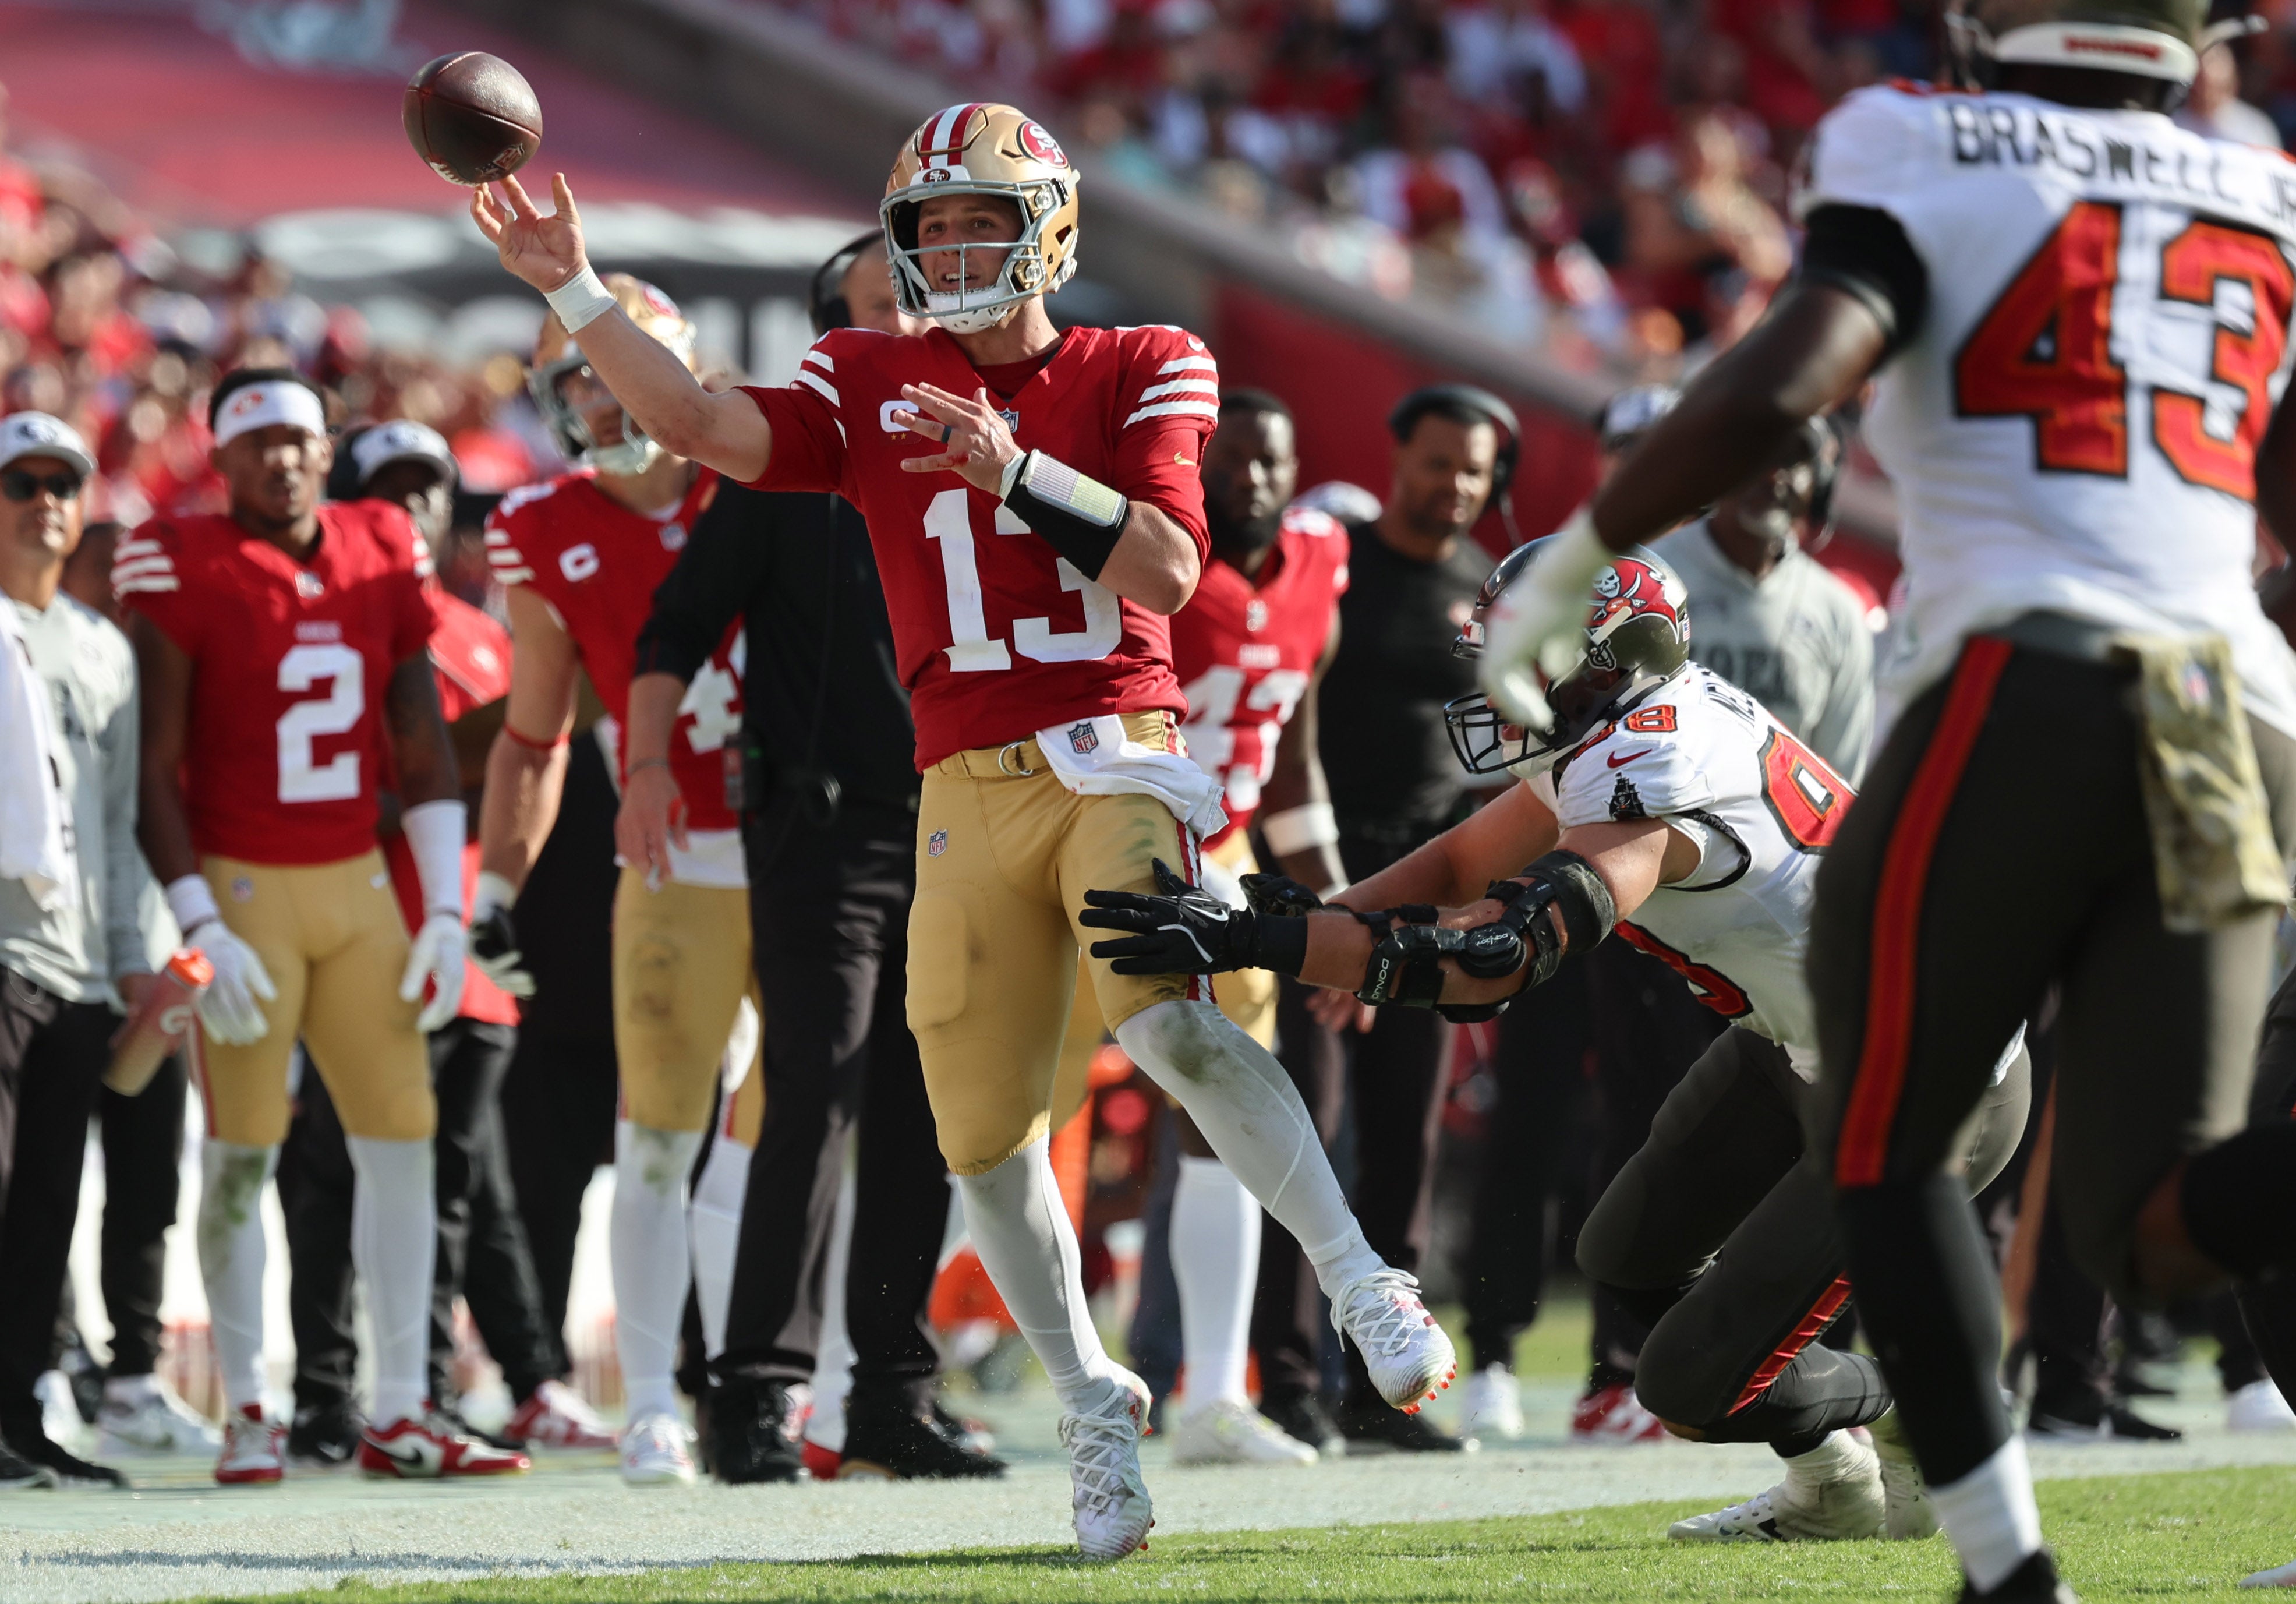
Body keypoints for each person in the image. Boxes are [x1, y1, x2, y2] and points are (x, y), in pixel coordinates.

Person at [471, 101, 1453, 1560]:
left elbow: (1171, 567)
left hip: (1114, 753)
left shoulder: (1143, 360)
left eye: (976, 220)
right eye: (928, 226)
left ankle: (1361, 1271)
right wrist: (573, 288)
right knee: (979, 1138)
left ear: (1048, 225)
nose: (948, 247)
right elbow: (694, 426)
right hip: (959, 789)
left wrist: (1009, 470)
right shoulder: (867, 370)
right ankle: (1091, 1406)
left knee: (1169, 1023)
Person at [1475, 5, 2296, 1596]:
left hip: (2017, 683)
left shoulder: (1913, 138)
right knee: (2153, 1225)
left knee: (1883, 1134)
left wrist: (1574, 558)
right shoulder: (2251, 187)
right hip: (2219, 710)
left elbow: (1785, 376)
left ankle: (2003, 1572)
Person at [1084, 539, 2028, 1544]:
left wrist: (1263, 940)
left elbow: (1500, 952)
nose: (1503, 674)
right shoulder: (1620, 723)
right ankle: (1831, 1482)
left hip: (1922, 1075)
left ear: (1611, 655)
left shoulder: (1649, 764)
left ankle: (1937, 1405)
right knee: (1626, 1254)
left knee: (1689, 1384)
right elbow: (1458, 861)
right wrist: (1318, 915)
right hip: (1805, 1038)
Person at [620, 234, 1000, 1483]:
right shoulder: (785, 473)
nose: (921, 313)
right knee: (816, 1093)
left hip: (959, 828)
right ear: (832, 335)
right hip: (825, 835)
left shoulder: (988, 452)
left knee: (926, 1114)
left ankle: (887, 1394)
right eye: (888, 302)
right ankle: (757, 1396)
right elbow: (673, 629)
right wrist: (640, 776)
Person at [116, 368, 526, 1485]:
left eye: (299, 439)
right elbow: (154, 769)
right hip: (245, 886)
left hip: (358, 886)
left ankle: (404, 1405)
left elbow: (421, 739)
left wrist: (444, 907)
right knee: (244, 1149)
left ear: (322, 446)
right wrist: (199, 915)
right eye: (257, 443)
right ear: (220, 458)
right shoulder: (182, 557)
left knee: (402, 1139)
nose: (282, 460)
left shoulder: (379, 543)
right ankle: (251, 1403)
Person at [277, 421, 607, 1465]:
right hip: (359, 933)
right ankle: (345, 1393)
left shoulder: (479, 628)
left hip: (469, 940)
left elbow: (530, 767)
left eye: (428, 490)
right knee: (339, 1170)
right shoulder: (324, 622)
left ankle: (512, 1377)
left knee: (474, 1174)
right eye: (389, 489)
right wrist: (458, 764)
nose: (413, 510)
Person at [474, 278, 752, 1488]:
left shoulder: (762, 472)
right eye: (575, 377)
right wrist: (490, 887)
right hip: (677, 853)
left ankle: (817, 1378)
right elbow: (532, 739)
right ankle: (651, 1403)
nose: (599, 395)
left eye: (619, 368)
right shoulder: (539, 525)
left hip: (815, 849)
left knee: (815, 1133)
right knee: (656, 1134)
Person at [1063, 385, 1351, 1465]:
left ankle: (1212, 1395)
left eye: (1270, 462)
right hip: (1097, 839)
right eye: (1228, 463)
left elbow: (1293, 762)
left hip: (1221, 864)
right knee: (1009, 1109)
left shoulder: (1324, 559)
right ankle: (899, 1367)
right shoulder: (1148, 556)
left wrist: (1335, 907)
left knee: (1225, 1124)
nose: (1254, 483)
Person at [1251, 384, 1507, 1458]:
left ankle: (1380, 1386)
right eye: (1435, 460)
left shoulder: (1486, 592)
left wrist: (1455, 898)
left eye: (1474, 469)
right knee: (1293, 1124)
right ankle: (1285, 1379)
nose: (1451, 484)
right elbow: (1284, 730)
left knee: (1404, 1136)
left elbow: (1488, 764)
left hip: (1429, 895)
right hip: (1311, 875)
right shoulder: (1333, 562)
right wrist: (1328, 919)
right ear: (1395, 454)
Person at [0, 413, 154, 1488]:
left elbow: (114, 817)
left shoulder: (104, 645)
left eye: (63, 481)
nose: (44, 499)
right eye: (20, 480)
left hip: (77, 963)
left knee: (48, 1200)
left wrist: (129, 957)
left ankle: (19, 1415)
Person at [54, 518, 217, 1460]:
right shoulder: (28, 659)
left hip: (154, 951)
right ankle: (52, 1356)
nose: (124, 596)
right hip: (59, 959)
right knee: (42, 1173)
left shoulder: (158, 665)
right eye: (107, 574)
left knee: (146, 1169)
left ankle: (130, 1373)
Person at [1649, 416, 1873, 778]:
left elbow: (1840, 784)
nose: (1774, 476)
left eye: (1793, 461)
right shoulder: (1649, 579)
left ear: (1819, 486)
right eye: (1758, 454)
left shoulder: (1839, 615)